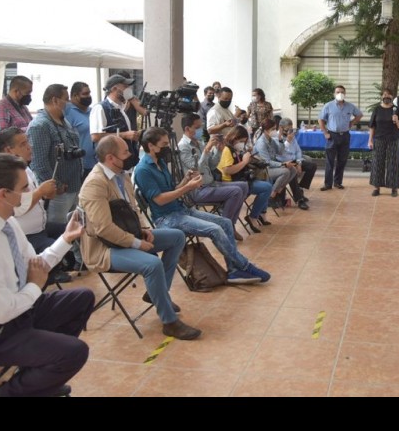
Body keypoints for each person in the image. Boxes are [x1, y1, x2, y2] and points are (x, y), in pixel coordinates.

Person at [0, 153, 93, 397]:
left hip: (18, 311)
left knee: (82, 298)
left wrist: (66, 239)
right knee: (75, 352)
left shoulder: (5, 221)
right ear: (3, 194)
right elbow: (1, 311)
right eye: (24, 188)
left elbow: (36, 266)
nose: (30, 192)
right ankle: (8, 393)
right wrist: (34, 286)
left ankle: (40, 378)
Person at [79, 136, 200, 340]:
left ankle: (157, 294)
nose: (131, 155)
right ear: (110, 158)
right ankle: (169, 322)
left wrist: (143, 229)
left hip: (127, 235)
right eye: (125, 152)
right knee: (152, 264)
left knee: (177, 237)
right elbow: (104, 229)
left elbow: (132, 211)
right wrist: (137, 243)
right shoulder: (95, 184)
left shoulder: (122, 175)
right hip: (104, 249)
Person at [135, 127, 271, 284]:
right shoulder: (143, 170)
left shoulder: (160, 163)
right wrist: (188, 187)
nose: (168, 148)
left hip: (181, 210)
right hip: (167, 218)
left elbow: (172, 190)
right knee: (215, 229)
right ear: (151, 146)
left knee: (226, 223)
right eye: (164, 144)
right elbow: (159, 200)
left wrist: (186, 181)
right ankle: (244, 265)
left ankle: (234, 271)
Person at [0, 127, 71, 285]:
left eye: (27, 142)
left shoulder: (24, 168)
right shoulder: (4, 175)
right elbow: (16, 208)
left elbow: (31, 196)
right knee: (60, 248)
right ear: (8, 150)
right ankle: (43, 280)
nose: (29, 147)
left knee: (72, 230)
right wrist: (40, 192)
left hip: (40, 227)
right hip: (27, 235)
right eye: (23, 144)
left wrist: (44, 195)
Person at [177, 113, 249, 236]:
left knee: (244, 186)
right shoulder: (183, 147)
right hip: (197, 190)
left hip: (210, 183)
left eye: (201, 126)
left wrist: (219, 151)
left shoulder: (199, 142)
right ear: (187, 129)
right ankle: (225, 227)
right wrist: (206, 150)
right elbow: (195, 169)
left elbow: (211, 165)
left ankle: (230, 224)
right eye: (197, 127)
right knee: (236, 191)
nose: (201, 130)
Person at [27, 84, 83, 226]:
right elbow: (38, 163)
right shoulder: (40, 126)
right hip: (58, 193)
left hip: (74, 186)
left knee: (74, 227)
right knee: (58, 230)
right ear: (55, 100)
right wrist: (57, 186)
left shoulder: (64, 121)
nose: (69, 103)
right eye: (66, 99)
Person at [218, 125, 274, 231]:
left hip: (241, 179)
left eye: (244, 142)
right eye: (241, 141)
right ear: (234, 138)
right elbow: (228, 170)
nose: (242, 144)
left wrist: (248, 157)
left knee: (267, 180)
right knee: (267, 187)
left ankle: (261, 213)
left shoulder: (235, 149)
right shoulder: (227, 150)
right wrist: (244, 162)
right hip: (231, 182)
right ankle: (254, 216)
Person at [89, 74, 141, 171]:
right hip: (111, 164)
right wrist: (124, 135)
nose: (128, 90)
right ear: (114, 89)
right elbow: (95, 136)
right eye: (125, 87)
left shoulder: (120, 108)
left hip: (123, 164)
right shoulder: (100, 108)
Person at [318, 85, 362, 191]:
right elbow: (320, 119)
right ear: (334, 93)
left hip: (345, 136)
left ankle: (337, 182)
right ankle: (328, 184)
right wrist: (325, 132)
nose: (340, 94)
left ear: (345, 94)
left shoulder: (350, 106)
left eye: (342, 92)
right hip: (332, 135)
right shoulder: (328, 106)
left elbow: (359, 115)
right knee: (330, 161)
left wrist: (351, 123)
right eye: (338, 92)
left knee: (342, 160)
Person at [253, 119, 297, 206]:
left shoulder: (270, 140)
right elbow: (267, 162)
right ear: (266, 130)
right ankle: (272, 194)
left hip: (271, 167)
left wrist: (280, 140)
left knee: (293, 169)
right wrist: (283, 164)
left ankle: (278, 189)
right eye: (272, 129)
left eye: (275, 129)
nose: (274, 131)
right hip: (263, 170)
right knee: (285, 171)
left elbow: (280, 152)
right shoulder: (261, 143)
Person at [368, 89, 399, 197]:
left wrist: (397, 120)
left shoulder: (396, 109)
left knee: (393, 163)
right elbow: (372, 126)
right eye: (384, 95)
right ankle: (376, 188)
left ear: (392, 97)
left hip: (393, 139)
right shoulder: (377, 109)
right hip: (379, 139)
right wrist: (370, 140)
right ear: (382, 96)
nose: (386, 97)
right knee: (377, 162)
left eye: (389, 95)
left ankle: (394, 188)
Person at [276, 117, 316, 204]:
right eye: (287, 129)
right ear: (281, 128)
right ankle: (299, 199)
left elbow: (298, 151)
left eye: (291, 129)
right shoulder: (276, 137)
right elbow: (280, 153)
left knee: (312, 166)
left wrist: (299, 162)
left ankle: (300, 188)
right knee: (292, 171)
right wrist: (287, 141)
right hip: (284, 162)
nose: (289, 131)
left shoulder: (291, 136)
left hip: (294, 160)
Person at [64, 81, 97, 181]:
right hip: (80, 165)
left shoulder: (92, 111)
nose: (88, 96)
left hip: (95, 163)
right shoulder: (68, 112)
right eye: (85, 94)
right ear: (75, 96)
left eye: (89, 93)